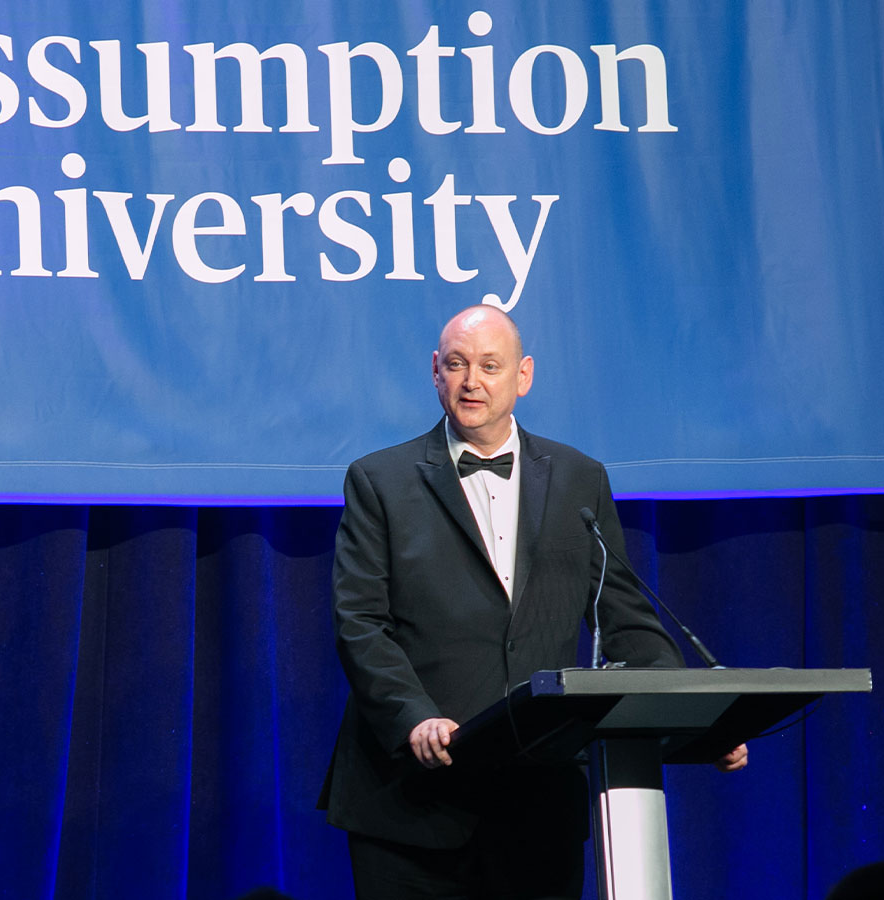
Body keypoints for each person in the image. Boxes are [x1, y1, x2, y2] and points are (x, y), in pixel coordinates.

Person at [319, 305, 748, 898]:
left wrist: (696, 722)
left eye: (490, 366)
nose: (472, 381)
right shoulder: (379, 480)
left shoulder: (580, 478)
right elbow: (360, 623)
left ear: (523, 376)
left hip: (536, 801)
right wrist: (413, 716)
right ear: (435, 373)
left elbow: (623, 621)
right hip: (410, 804)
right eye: (457, 364)